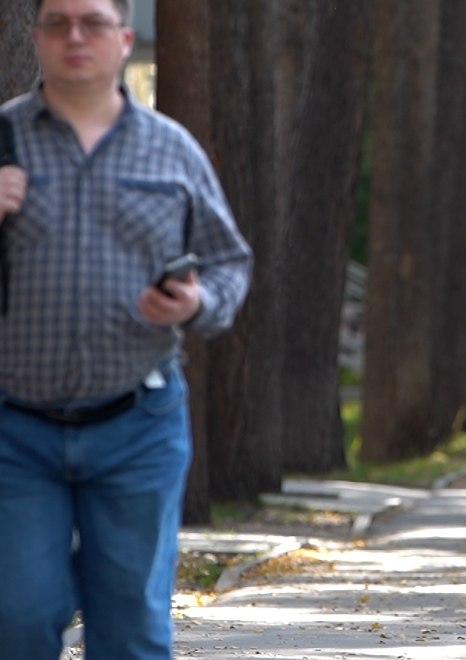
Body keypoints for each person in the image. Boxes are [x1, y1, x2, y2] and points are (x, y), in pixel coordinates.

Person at [0, 0, 252, 657]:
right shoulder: (4, 139)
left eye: (92, 22)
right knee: (18, 618)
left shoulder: (172, 148)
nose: (74, 36)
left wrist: (196, 302)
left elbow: (228, 263)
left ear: (124, 38)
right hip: (16, 429)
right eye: (58, 23)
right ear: (36, 37)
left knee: (131, 629)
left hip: (138, 425)